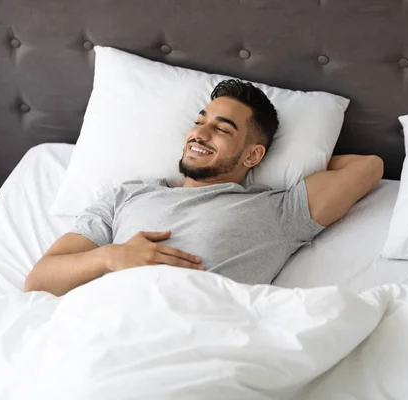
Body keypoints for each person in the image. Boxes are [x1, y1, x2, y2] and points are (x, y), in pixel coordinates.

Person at [25, 79, 384, 296]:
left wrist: (304, 162)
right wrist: (110, 256)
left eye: (223, 129)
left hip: (193, 335)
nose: (200, 133)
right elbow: (39, 280)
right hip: (103, 323)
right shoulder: (128, 195)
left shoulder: (278, 211)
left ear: (253, 154)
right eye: (199, 122)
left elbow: (370, 167)